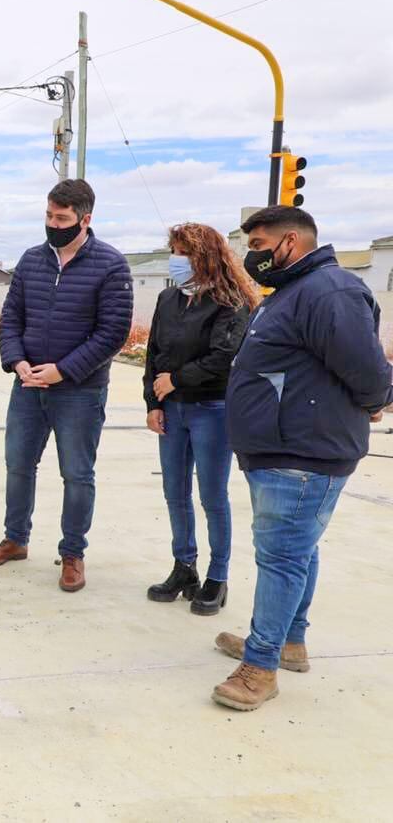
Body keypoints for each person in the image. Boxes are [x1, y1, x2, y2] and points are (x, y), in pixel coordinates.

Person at [210, 206, 392, 711]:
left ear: (292, 242)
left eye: (261, 246)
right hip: (282, 447)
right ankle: (289, 642)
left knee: (283, 558)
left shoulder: (328, 292)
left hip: (304, 453)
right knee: (298, 551)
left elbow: (369, 372)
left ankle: (260, 667)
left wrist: (376, 402)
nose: (253, 257)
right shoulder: (291, 292)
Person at [0, 179, 133, 593]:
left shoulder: (111, 265)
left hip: (79, 390)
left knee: (77, 474)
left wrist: (63, 371)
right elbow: (10, 318)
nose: (52, 224)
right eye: (48, 215)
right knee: (18, 465)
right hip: (28, 386)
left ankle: (73, 554)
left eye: (61, 218)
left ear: (85, 219)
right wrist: (17, 361)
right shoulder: (31, 261)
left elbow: (113, 332)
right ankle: (15, 539)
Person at [143, 223, 257, 615]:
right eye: (174, 252)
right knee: (175, 493)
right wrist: (153, 402)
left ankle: (217, 577)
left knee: (212, 496)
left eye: (183, 253)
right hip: (171, 410)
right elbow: (154, 354)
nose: (176, 261)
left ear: (205, 257)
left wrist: (174, 380)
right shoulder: (168, 298)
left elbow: (223, 358)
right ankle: (184, 567)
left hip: (211, 408)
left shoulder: (232, 301)